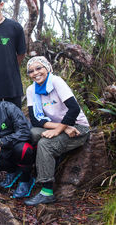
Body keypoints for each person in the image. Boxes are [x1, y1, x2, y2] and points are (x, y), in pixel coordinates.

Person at [24, 56, 90, 206]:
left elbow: (74, 109)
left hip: (78, 127)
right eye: (31, 71)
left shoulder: (56, 82)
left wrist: (60, 128)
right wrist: (62, 128)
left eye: (39, 68)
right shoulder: (31, 90)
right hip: (63, 126)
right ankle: (37, 169)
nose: (35, 73)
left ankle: (46, 192)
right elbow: (35, 121)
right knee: (33, 133)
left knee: (45, 144)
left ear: (47, 68)